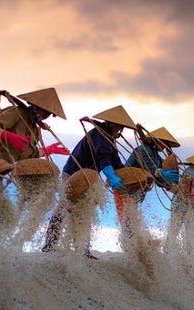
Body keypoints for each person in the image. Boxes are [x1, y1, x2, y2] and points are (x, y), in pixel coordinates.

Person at [41, 105, 137, 258]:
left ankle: (83, 249)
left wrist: (130, 175)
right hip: (73, 174)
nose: (120, 129)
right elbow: (104, 159)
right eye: (119, 126)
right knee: (65, 207)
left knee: (86, 211)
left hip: (89, 178)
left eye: (122, 127)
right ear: (112, 123)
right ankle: (49, 244)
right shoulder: (101, 136)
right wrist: (111, 177)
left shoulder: (108, 138)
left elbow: (116, 163)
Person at [0, 88, 68, 164]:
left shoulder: (35, 131)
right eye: (45, 110)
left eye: (49, 113)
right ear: (36, 106)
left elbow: (28, 155)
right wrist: (8, 136)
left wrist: (49, 150)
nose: (46, 115)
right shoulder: (17, 112)